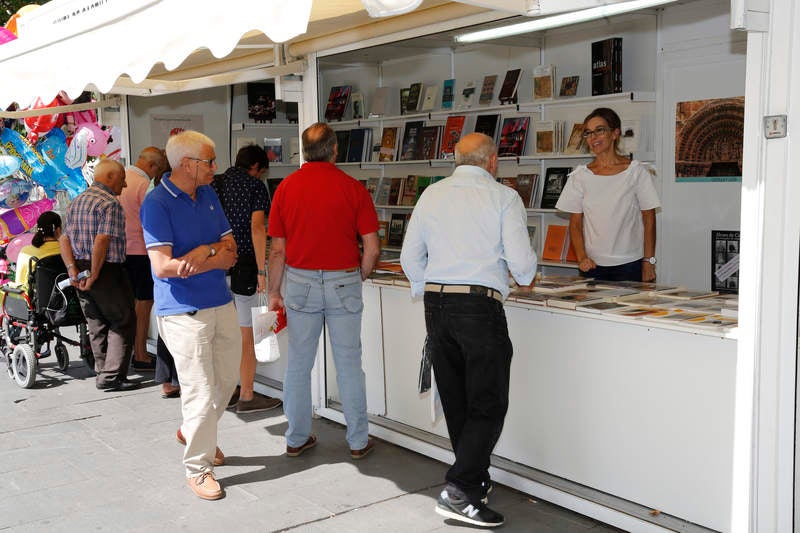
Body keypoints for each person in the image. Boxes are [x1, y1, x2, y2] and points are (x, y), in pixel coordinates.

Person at [400, 133, 537, 528]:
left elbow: (410, 256)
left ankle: (472, 483)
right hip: (478, 306)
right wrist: (522, 275)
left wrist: (431, 286)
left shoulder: (431, 195)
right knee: (488, 402)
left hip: (436, 304)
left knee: (457, 401)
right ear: (492, 161)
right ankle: (459, 488)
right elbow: (523, 266)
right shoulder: (503, 198)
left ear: (454, 160)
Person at [267, 122, 380, 460]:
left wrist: (274, 291)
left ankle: (296, 437)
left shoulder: (286, 188)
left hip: (300, 284)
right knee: (348, 363)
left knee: (299, 364)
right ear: (334, 150)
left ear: (304, 151)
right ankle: (358, 441)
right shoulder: (352, 188)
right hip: (343, 280)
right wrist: (357, 275)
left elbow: (277, 250)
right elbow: (371, 247)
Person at [140, 130, 240, 501]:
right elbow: (164, 266)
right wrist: (211, 257)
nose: (216, 167)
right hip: (183, 311)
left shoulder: (210, 192)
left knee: (226, 382)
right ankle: (199, 468)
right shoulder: (156, 204)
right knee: (198, 390)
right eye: (210, 161)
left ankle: (195, 431)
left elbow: (231, 248)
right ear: (187, 164)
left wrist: (203, 252)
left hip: (219, 301)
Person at [212, 144, 282, 414]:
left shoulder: (216, 183)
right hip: (244, 269)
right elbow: (257, 227)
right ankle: (248, 394)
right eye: (262, 172)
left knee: (223, 334)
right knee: (246, 334)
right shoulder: (255, 188)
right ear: (255, 168)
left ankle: (227, 391)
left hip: (218, 265)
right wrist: (261, 269)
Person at [555, 107, 661, 282]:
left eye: (599, 130)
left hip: (631, 265)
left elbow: (649, 219)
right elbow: (575, 224)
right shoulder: (580, 176)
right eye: (588, 133)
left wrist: (649, 262)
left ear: (615, 133)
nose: (593, 137)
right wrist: (582, 258)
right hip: (593, 267)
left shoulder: (636, 172)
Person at [60, 159, 138, 392]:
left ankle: (103, 371)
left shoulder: (77, 201)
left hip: (80, 266)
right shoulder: (109, 203)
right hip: (104, 268)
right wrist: (94, 273)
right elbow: (102, 240)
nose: (124, 186)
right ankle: (111, 377)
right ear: (111, 177)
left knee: (96, 322)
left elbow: (64, 239)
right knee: (123, 319)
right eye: (123, 180)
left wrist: (72, 270)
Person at [119, 146, 167, 373]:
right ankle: (140, 353)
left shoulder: (120, 176)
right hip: (140, 250)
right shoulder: (145, 186)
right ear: (153, 166)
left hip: (119, 251)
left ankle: (126, 353)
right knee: (143, 304)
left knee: (127, 304)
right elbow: (153, 221)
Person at [13, 211, 62, 291]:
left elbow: (19, 283)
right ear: (58, 229)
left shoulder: (25, 252)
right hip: (66, 297)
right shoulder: (67, 249)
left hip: (36, 300)